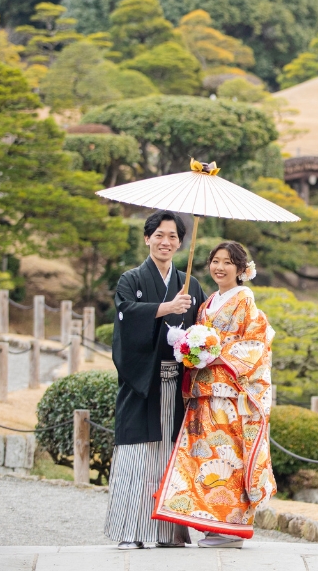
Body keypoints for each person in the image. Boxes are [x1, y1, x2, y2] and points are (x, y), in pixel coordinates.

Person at [152, 241, 276, 548]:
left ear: (241, 269)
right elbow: (200, 342)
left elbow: (256, 346)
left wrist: (215, 351)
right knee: (205, 459)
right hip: (204, 393)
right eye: (215, 261)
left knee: (229, 459)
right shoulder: (208, 303)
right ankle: (211, 525)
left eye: (228, 262)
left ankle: (230, 529)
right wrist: (188, 347)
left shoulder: (245, 301)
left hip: (231, 398)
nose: (219, 267)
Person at [104, 211, 207, 549]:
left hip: (177, 385)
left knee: (169, 455)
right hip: (141, 382)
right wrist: (167, 306)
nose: (166, 242)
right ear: (147, 238)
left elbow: (202, 332)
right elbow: (126, 317)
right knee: (137, 454)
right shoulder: (130, 280)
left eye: (173, 237)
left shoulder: (190, 283)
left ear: (181, 242)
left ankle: (167, 532)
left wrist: (195, 352)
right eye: (159, 236)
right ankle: (129, 532)